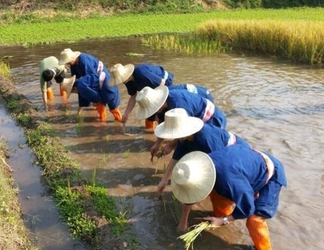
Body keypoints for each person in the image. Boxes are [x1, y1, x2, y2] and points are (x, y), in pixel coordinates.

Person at [171, 146, 287, 250]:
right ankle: (221, 217)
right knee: (217, 194)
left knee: (254, 219)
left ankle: (264, 248)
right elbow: (190, 197)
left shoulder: (228, 180)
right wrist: (183, 224)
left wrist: (223, 220)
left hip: (270, 171)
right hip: (243, 166)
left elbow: (247, 207)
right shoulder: (203, 167)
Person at [154, 108, 250, 195]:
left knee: (222, 192)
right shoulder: (184, 138)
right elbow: (175, 158)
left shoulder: (205, 138)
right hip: (223, 154)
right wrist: (164, 180)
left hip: (237, 153)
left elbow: (220, 165)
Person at [134, 86, 227, 157]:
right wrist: (157, 144)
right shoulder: (162, 109)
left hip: (211, 118)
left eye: (153, 109)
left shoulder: (179, 105)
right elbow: (166, 126)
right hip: (194, 117)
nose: (153, 113)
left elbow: (185, 132)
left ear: (159, 103)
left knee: (203, 149)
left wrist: (171, 145)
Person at [59, 48, 122, 121]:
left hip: (103, 79)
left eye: (68, 62)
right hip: (101, 80)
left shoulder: (84, 61)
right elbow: (78, 80)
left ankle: (109, 122)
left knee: (108, 105)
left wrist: (96, 100)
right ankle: (115, 122)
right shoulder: (73, 66)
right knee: (106, 104)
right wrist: (81, 107)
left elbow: (92, 88)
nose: (67, 64)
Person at [109, 63, 174, 129]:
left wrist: (157, 108)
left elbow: (161, 83)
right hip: (152, 88)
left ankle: (165, 132)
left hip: (164, 83)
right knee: (150, 116)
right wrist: (126, 113)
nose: (120, 82)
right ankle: (150, 131)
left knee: (161, 114)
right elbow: (133, 97)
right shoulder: (128, 81)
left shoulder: (141, 73)